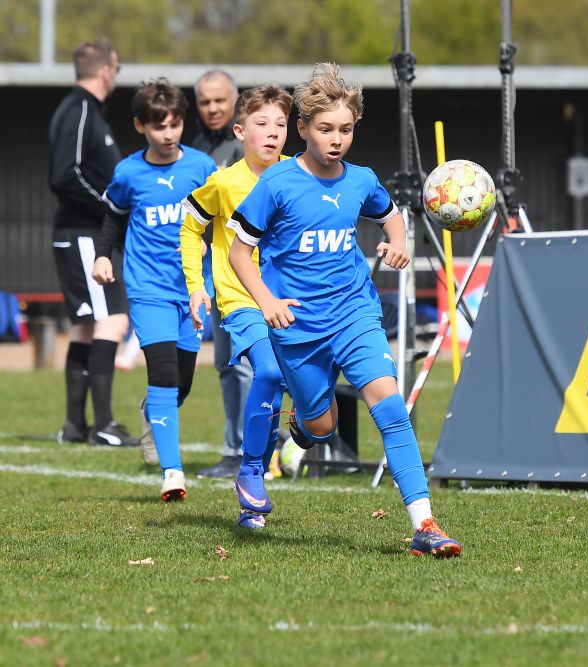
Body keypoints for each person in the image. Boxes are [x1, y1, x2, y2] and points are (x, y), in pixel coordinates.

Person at [228, 63, 462, 557]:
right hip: (297, 328)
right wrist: (267, 301)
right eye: (325, 129)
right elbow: (238, 253)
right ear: (302, 129)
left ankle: (425, 524)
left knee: (391, 408)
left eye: (346, 129)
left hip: (355, 314)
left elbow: (391, 218)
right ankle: (302, 424)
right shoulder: (277, 183)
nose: (337, 140)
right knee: (322, 428)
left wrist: (398, 244)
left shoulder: (361, 180)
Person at [92, 78, 217, 501]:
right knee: (162, 373)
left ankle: (152, 412)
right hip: (148, 287)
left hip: (194, 289)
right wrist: (103, 255)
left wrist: (206, 240)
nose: (168, 134)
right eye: (158, 126)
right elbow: (113, 218)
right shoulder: (128, 172)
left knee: (182, 383)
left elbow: (221, 216)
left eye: (175, 124)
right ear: (140, 126)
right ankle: (172, 472)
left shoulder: (202, 167)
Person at [181, 84, 292, 528]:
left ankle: (259, 473)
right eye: (262, 124)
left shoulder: (299, 175)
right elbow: (191, 228)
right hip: (241, 301)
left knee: (288, 392)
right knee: (268, 372)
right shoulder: (224, 183)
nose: (273, 132)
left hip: (292, 301)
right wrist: (197, 286)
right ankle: (250, 473)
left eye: (281, 124)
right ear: (240, 131)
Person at [48, 40, 137, 447]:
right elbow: (66, 175)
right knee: (113, 320)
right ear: (105, 70)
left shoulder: (84, 111)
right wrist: (109, 208)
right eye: (116, 68)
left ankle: (74, 425)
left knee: (86, 327)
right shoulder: (80, 110)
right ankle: (103, 425)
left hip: (81, 233)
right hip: (84, 233)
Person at [191, 69, 252, 480]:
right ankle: (236, 449)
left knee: (250, 364)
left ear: (235, 100)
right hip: (217, 274)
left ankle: (257, 448)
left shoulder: (251, 145)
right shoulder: (195, 150)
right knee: (227, 365)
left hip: (254, 274)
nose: (212, 108)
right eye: (205, 102)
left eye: (219, 100)